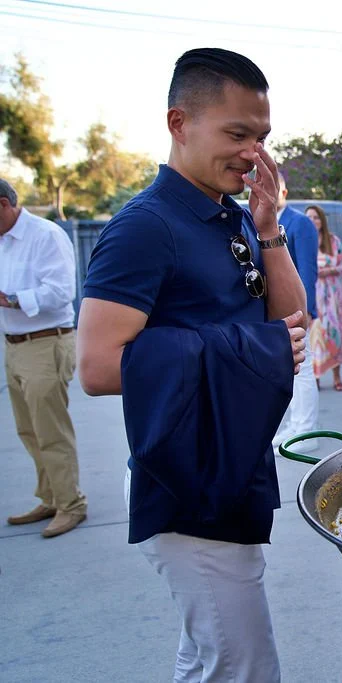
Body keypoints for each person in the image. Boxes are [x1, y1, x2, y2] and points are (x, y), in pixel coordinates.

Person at [76, 48, 307, 682]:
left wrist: (269, 228)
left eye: (261, 136)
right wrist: (239, 353)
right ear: (179, 123)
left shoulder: (232, 213)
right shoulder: (144, 227)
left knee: (206, 656)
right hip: (186, 478)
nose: (253, 153)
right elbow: (97, 367)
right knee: (244, 669)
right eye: (237, 134)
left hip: (229, 460)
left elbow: (289, 327)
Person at [0, 177, 88, 538]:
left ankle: (71, 505)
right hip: (14, 344)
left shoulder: (45, 235)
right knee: (28, 430)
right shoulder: (4, 241)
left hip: (46, 342)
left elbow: (62, 291)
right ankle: (51, 497)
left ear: (3, 205)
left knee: (51, 430)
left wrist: (10, 299)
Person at [271, 173, 320, 454]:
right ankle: (294, 424)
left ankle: (306, 431)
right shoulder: (256, 218)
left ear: (284, 191)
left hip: (295, 308)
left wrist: (307, 309)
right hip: (273, 310)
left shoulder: (300, 223)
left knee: (303, 370)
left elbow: (307, 271)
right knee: (287, 370)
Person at [306, 203, 342, 391]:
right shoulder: (303, 240)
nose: (313, 221)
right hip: (313, 298)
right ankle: (315, 377)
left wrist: (327, 271)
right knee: (315, 337)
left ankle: (337, 377)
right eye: (309, 217)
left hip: (332, 300)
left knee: (334, 336)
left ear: (322, 220)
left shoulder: (333, 242)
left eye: (316, 217)